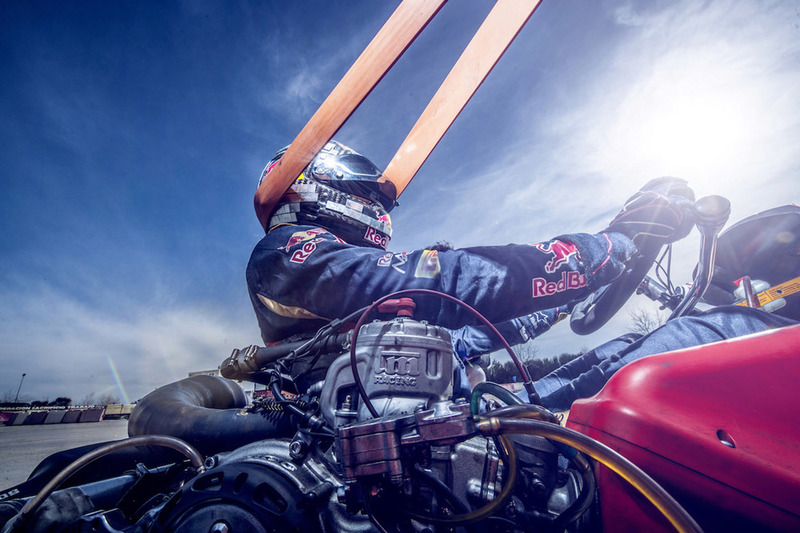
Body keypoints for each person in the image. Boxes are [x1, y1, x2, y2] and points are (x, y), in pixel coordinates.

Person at [245, 141, 791, 409]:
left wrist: (563, 297)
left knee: (633, 348)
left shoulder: (352, 319)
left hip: (447, 422)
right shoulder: (286, 253)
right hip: (398, 441)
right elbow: (447, 280)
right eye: (369, 198)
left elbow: (474, 330)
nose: (379, 213)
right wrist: (612, 246)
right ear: (321, 186)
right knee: (695, 346)